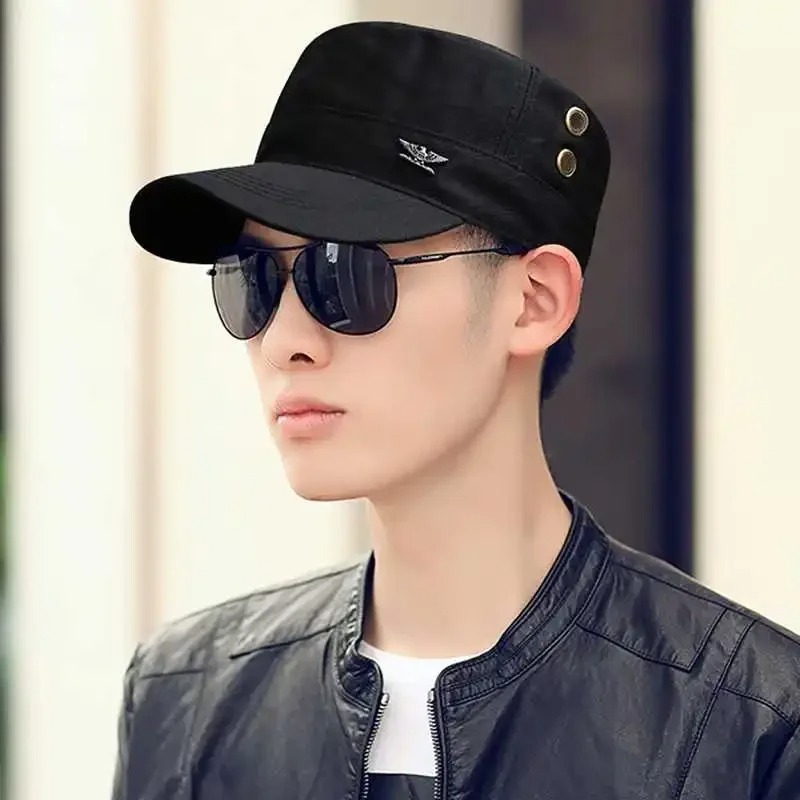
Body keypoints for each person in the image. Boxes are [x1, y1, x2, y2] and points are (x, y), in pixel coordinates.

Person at [117, 20, 799, 800]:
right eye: (255, 280)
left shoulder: (753, 727)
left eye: (346, 275)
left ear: (533, 300)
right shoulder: (183, 697)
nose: (284, 341)